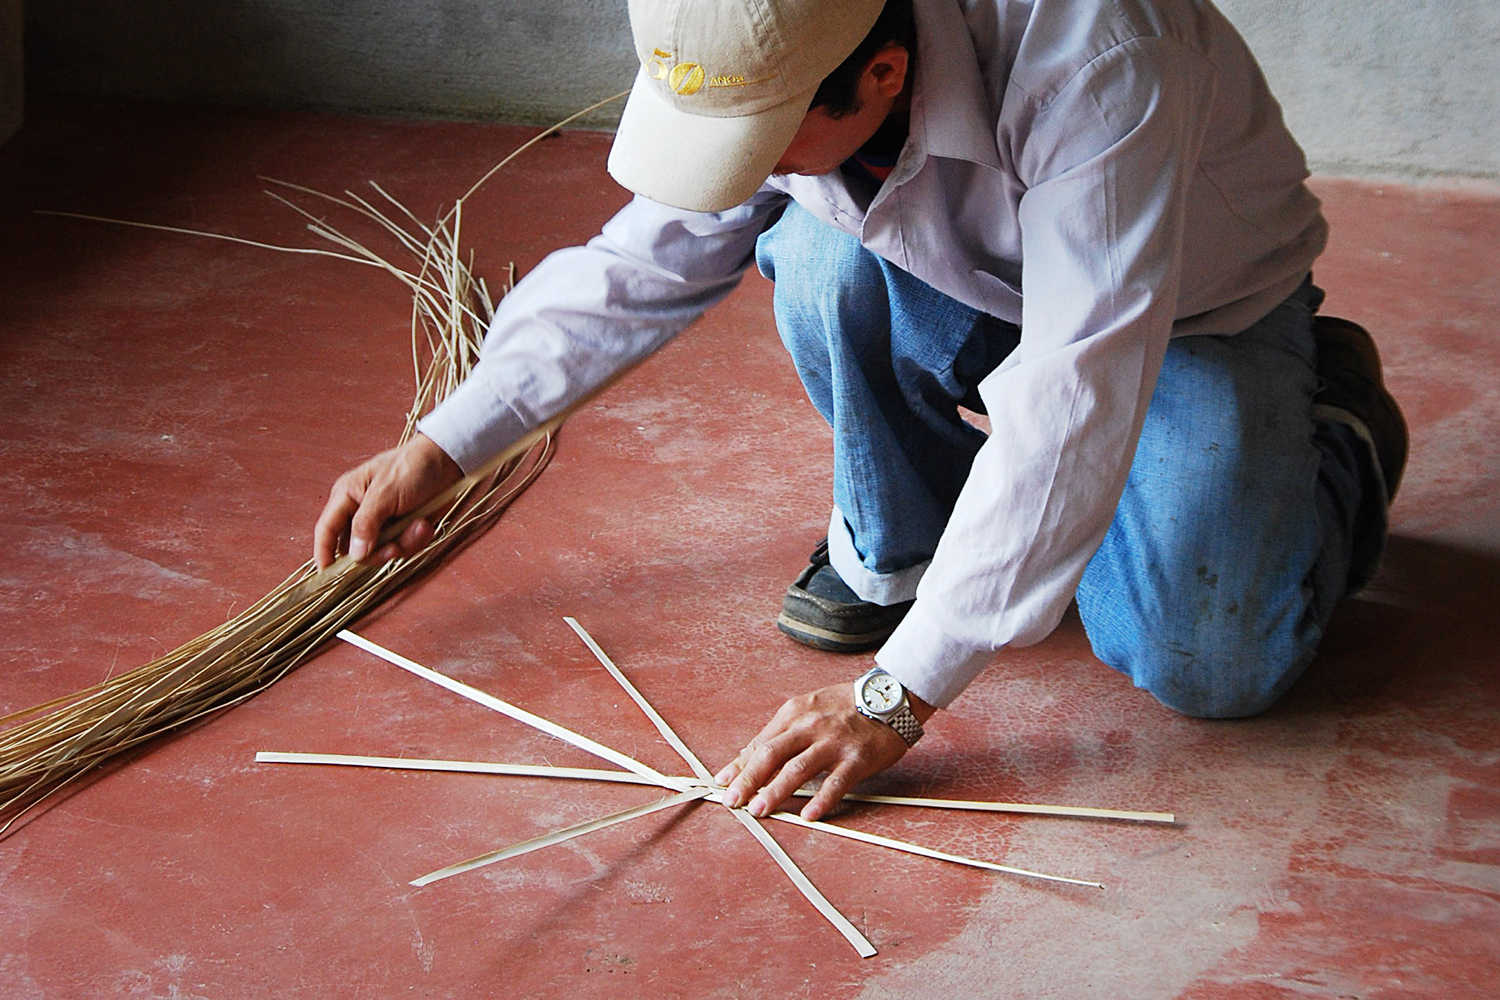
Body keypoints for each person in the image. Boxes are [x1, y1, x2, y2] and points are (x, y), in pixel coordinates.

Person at [313, 0, 1407, 824]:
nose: (743, 169)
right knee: (816, 247)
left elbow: (1074, 390)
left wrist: (897, 700)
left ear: (881, 73)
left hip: (1190, 312)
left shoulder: (1101, 60)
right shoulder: (779, 30)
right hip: (983, 278)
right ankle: (909, 546)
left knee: (1210, 661)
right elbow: (642, 261)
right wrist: (449, 440)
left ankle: (1332, 421)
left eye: (765, 142)